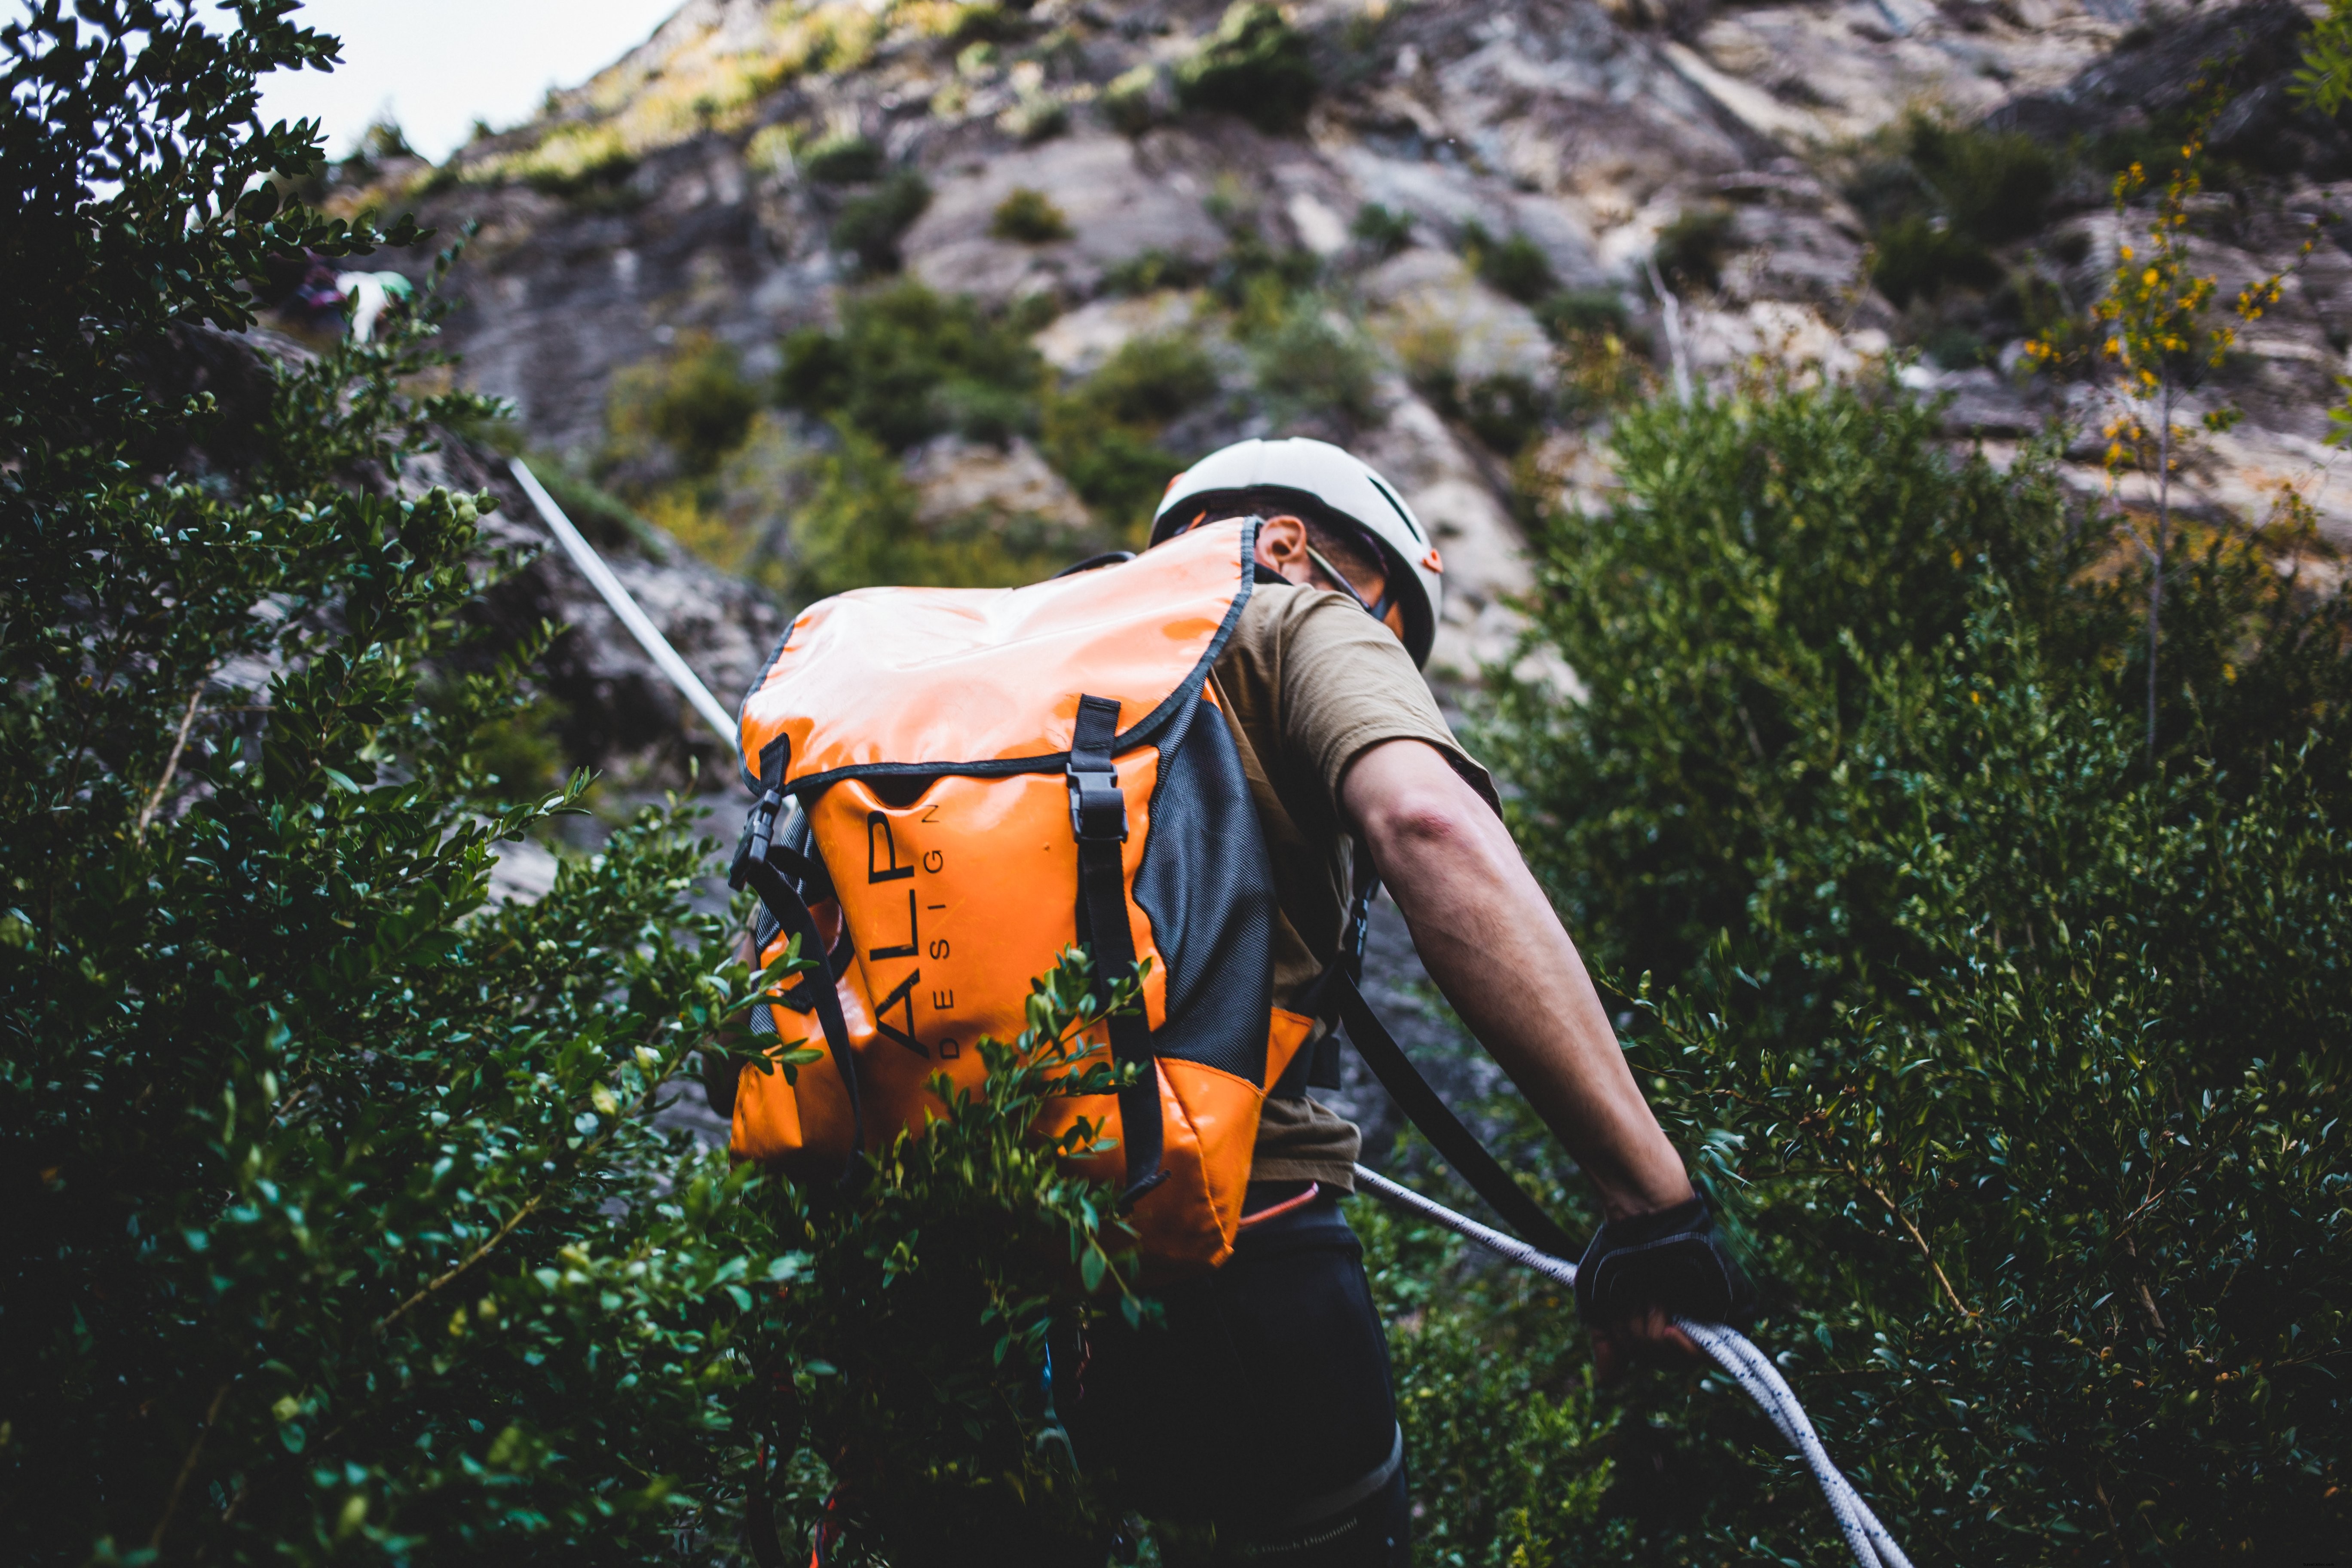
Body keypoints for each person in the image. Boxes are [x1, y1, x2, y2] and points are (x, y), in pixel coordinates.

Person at [1060, 438, 1754, 1566]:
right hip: (1232, 1251)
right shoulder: (1287, 612)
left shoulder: (1008, 672)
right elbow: (1429, 826)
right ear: (1294, 547)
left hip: (965, 1262)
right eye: (1391, 633)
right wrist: (1654, 1211)